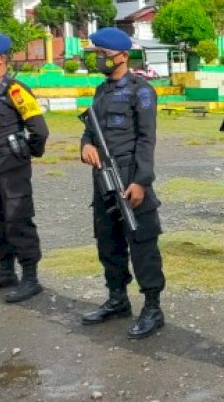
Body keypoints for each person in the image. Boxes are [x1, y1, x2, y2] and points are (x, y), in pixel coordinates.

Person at [79, 27, 166, 340]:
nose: (99, 59)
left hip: (130, 178)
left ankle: (153, 308)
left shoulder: (141, 91)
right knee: (108, 242)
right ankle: (117, 299)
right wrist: (85, 145)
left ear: (122, 56)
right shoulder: (101, 91)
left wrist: (142, 181)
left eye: (104, 55)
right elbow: (90, 128)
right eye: (97, 54)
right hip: (102, 179)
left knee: (142, 245)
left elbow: (146, 139)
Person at [0, 32, 49, 303]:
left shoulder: (16, 91)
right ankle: (5, 271)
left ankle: (30, 277)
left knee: (18, 219)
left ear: (1, 59)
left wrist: (26, 154)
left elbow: (39, 130)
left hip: (12, 168)